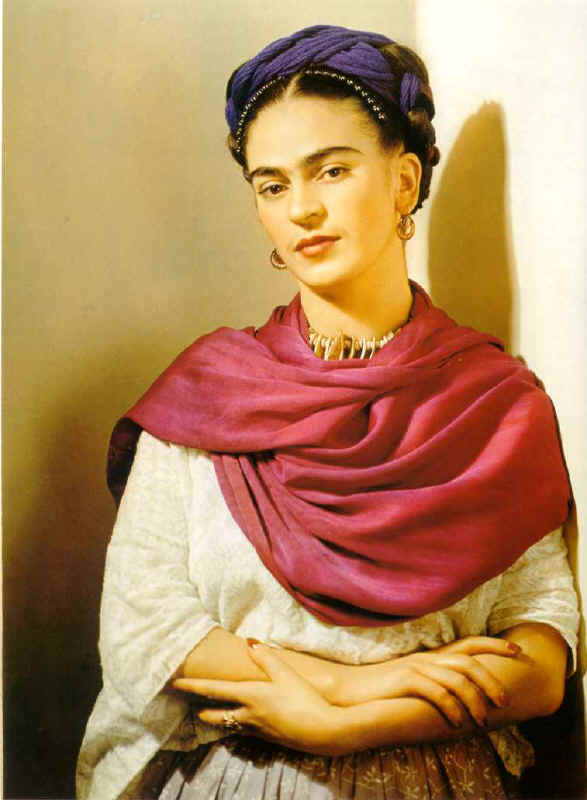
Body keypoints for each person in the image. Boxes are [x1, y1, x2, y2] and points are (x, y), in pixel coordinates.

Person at [76, 24, 579, 800]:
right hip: (237, 779)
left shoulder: (496, 404)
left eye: (331, 170)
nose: (302, 209)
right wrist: (356, 684)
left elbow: (541, 658)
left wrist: (345, 725)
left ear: (403, 182)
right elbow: (146, 630)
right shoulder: (206, 394)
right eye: (272, 185)